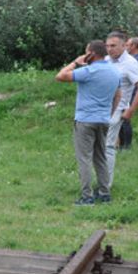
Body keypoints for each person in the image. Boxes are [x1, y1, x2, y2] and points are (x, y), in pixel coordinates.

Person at [56, 40, 121, 206]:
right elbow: (118, 96)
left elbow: (60, 76)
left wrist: (75, 63)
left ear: (91, 53)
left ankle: (87, 196)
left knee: (84, 158)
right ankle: (104, 193)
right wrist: (109, 114)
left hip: (85, 120)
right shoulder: (114, 72)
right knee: (101, 157)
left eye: (86, 52)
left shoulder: (88, 71)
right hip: (103, 120)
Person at [104, 31, 138, 189]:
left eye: (113, 46)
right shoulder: (106, 60)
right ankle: (99, 180)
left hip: (118, 109)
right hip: (101, 108)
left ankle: (105, 187)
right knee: (97, 146)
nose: (110, 49)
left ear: (124, 46)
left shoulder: (130, 63)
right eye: (107, 46)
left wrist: (130, 110)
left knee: (107, 146)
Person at [118, 36, 138, 150]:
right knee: (121, 119)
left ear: (134, 46)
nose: (125, 48)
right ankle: (121, 144)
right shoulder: (134, 59)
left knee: (125, 119)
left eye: (127, 45)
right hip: (128, 93)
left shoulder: (137, 60)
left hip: (131, 93)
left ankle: (126, 146)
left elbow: (137, 80)